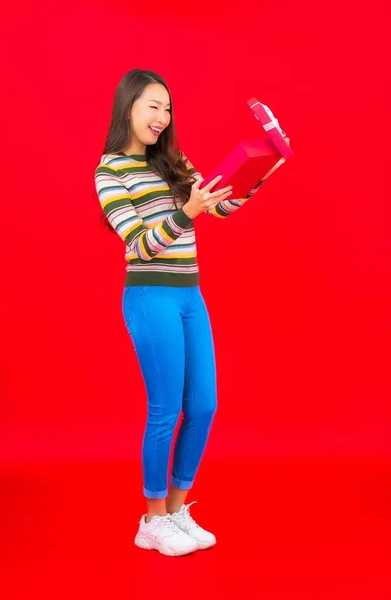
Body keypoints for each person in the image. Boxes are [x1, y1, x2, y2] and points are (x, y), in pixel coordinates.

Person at [95, 69, 286, 557]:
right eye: (152, 106)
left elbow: (219, 207)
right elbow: (140, 243)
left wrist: (263, 170)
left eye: (168, 108)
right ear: (128, 108)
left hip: (189, 295)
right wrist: (187, 213)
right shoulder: (110, 170)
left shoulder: (174, 161)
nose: (162, 117)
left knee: (202, 405)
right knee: (165, 409)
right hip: (150, 294)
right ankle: (151, 520)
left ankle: (176, 512)